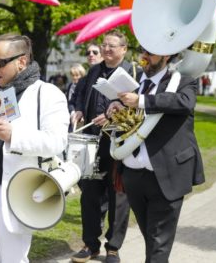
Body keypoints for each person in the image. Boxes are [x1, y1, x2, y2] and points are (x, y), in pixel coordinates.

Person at [0, 33, 69, 263]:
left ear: (22, 61)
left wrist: (13, 135)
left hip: (13, 191)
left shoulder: (47, 93)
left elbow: (57, 142)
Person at [107, 46, 205, 263]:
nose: (144, 56)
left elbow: (184, 102)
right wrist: (115, 108)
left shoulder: (184, 81)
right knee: (152, 240)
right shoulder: (136, 82)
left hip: (165, 174)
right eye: (142, 51)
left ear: (167, 54)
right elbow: (128, 121)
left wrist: (140, 101)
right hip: (133, 174)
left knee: (158, 244)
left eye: (149, 53)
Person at [70, 31, 133, 263]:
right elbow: (79, 93)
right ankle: (90, 244)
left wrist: (112, 119)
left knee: (118, 197)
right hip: (92, 143)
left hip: (119, 145)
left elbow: (137, 110)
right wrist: (77, 108)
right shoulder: (94, 70)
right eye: (104, 45)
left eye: (112, 46)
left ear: (124, 49)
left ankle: (113, 248)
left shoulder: (133, 72)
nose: (106, 49)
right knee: (90, 195)